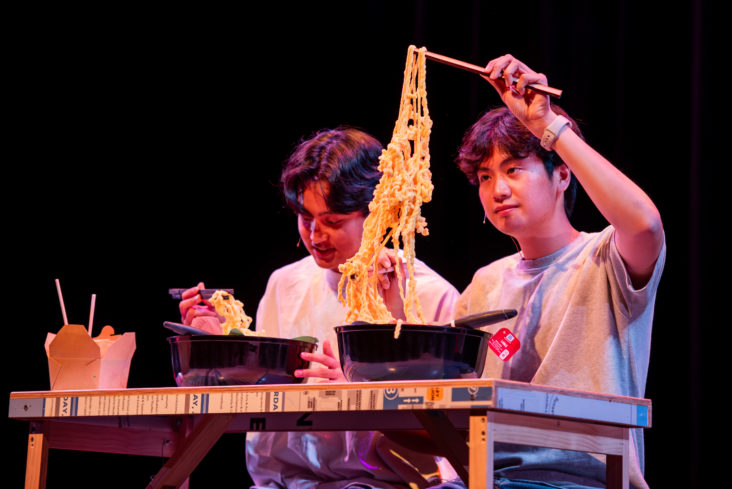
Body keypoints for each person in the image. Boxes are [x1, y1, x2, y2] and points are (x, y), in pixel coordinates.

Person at [179, 126, 460, 489]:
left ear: (378, 213)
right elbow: (256, 395)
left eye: (332, 222)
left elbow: (454, 434)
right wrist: (219, 348)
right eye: (305, 217)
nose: (315, 235)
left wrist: (365, 394)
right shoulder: (284, 284)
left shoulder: (427, 294)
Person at [449, 55, 665, 489]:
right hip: (489, 476)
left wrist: (547, 125)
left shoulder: (604, 258)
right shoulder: (483, 284)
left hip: (582, 480)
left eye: (513, 169)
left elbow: (645, 225)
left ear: (562, 176)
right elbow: (452, 412)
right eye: (485, 177)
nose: (498, 190)